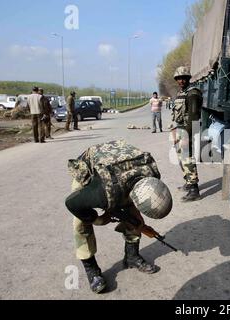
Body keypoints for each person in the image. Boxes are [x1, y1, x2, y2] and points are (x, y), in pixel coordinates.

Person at [65, 140, 173, 294]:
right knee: (81, 224)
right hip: (90, 167)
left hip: (120, 166)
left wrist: (131, 215)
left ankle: (131, 257)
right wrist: (98, 219)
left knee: (135, 219)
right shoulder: (103, 193)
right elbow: (71, 204)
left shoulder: (152, 174)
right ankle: (92, 269)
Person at [171, 66, 203, 202]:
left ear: (188, 79)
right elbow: (176, 115)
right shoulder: (181, 93)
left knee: (188, 159)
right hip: (179, 130)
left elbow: (193, 117)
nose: (181, 81)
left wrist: (186, 136)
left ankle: (194, 189)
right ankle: (188, 182)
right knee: (181, 159)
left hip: (187, 131)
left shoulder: (192, 93)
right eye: (178, 78)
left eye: (183, 78)